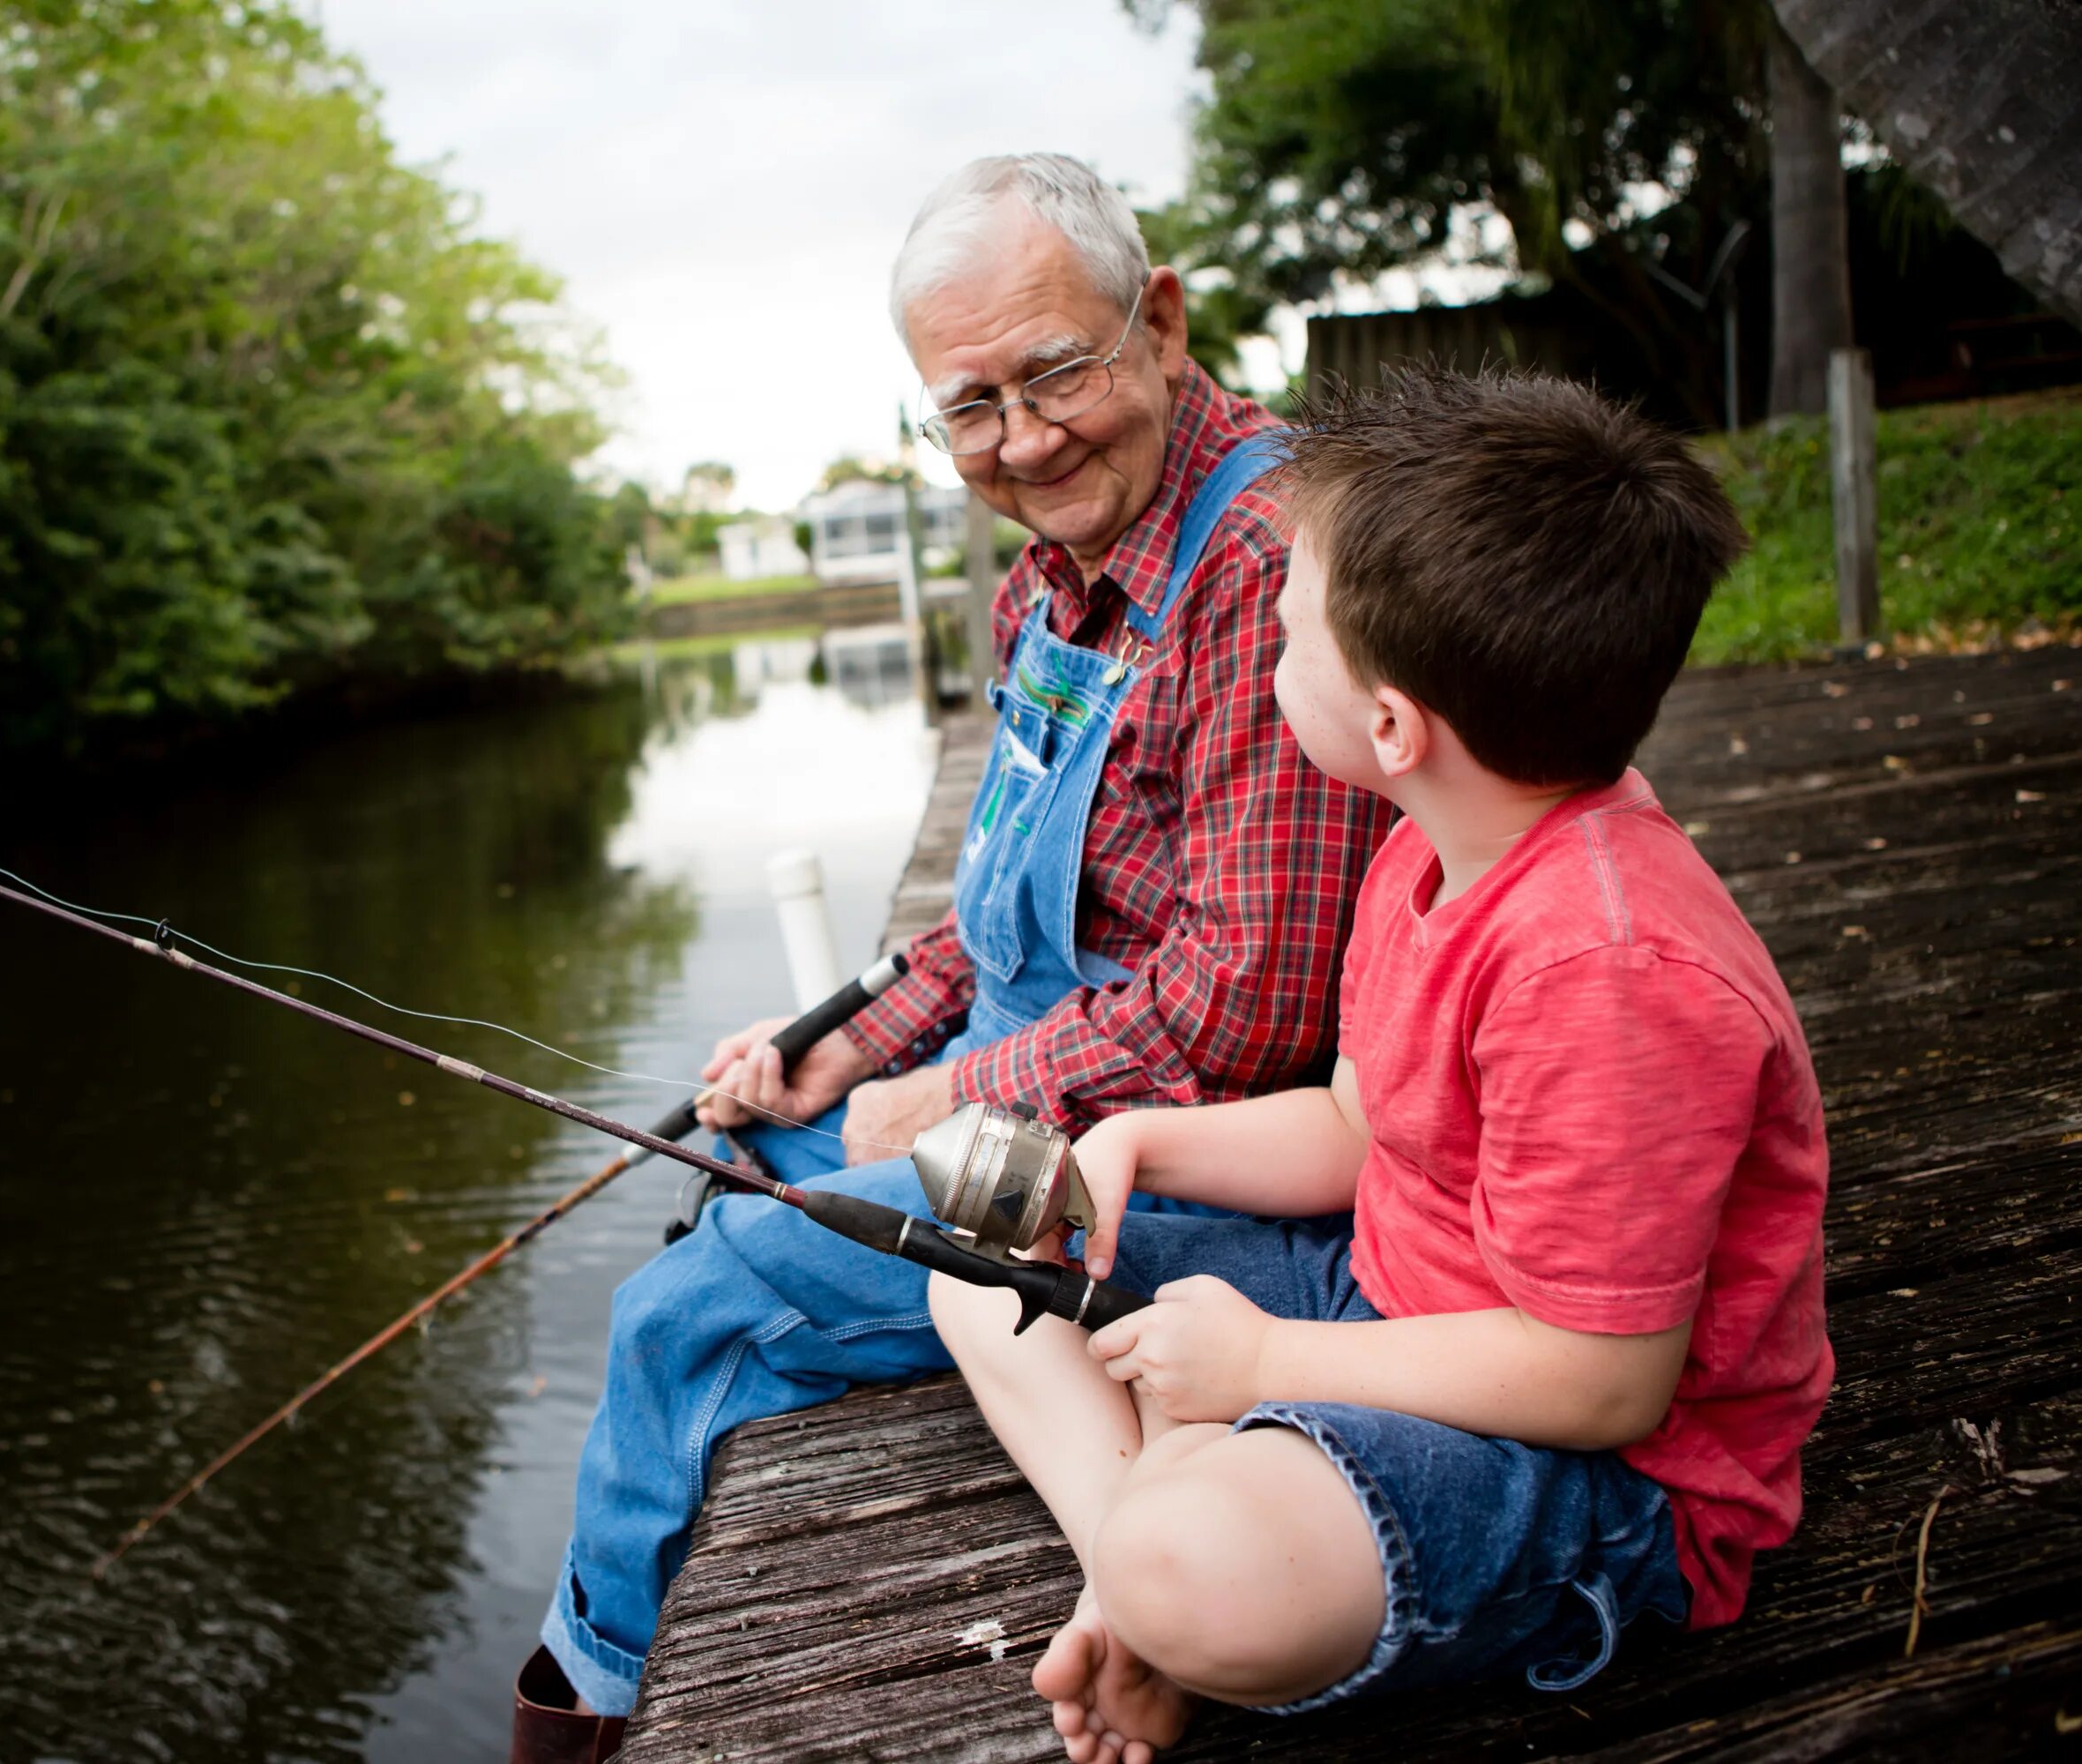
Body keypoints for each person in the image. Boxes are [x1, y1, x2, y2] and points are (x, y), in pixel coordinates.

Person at [511, 153, 1389, 1760]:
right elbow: (989, 904)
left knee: (679, 1314)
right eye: (969, 407)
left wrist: (946, 1097)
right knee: (735, 1137)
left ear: (1164, 320)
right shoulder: (1046, 581)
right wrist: (847, 1039)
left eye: (1055, 371)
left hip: (1181, 1151)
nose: (1025, 439)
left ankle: (590, 1709)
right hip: (1041, 1090)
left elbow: (1243, 1012)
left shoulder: (1262, 566)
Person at [929, 367, 1833, 1763]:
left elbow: (1606, 1383)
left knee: (1195, 1563)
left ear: (1395, 725)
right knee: (979, 1268)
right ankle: (1138, 1569)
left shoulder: (1611, 975)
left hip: (1600, 1469)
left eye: (1286, 638)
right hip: (1398, 1297)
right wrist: (1138, 1146)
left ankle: (1151, 1576)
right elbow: (1362, 1128)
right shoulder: (1430, 840)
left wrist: (1267, 1359)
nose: (1266, 656)